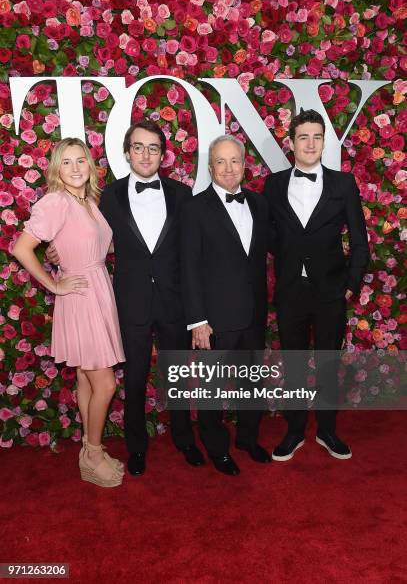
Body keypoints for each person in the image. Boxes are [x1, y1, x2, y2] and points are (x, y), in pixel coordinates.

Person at [12, 138, 125, 488]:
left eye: (81, 161)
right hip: (80, 296)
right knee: (105, 382)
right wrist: (54, 284)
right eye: (67, 162)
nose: (76, 168)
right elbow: (21, 248)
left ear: (89, 166)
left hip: (97, 289)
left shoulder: (89, 200)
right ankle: (91, 453)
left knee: (86, 378)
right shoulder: (56, 202)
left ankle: (89, 450)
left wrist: (57, 253)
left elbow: (96, 244)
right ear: (56, 169)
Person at [97, 120, 204, 476]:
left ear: (163, 155)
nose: (145, 154)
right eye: (138, 147)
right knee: (136, 377)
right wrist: (56, 254)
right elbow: (92, 238)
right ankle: (136, 447)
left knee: (176, 375)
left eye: (153, 148)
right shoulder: (109, 196)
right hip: (132, 301)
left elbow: (192, 253)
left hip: (174, 302)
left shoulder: (182, 194)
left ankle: (184, 440)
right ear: (127, 153)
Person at [263, 109, 369, 461]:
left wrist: (350, 284)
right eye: (303, 137)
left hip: (330, 293)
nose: (310, 143)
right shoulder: (274, 185)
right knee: (293, 365)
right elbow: (271, 237)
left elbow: (360, 241)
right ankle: (294, 432)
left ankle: (326, 431)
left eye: (317, 137)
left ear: (324, 142)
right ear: (291, 143)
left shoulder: (343, 184)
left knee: (327, 364)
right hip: (291, 292)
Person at [180, 134, 271, 476]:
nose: (229, 168)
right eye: (221, 161)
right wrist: (197, 320)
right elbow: (188, 267)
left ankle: (247, 439)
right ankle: (217, 449)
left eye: (235, 160)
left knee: (252, 384)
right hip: (215, 319)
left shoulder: (259, 204)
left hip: (253, 315)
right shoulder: (194, 208)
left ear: (245, 164)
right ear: (210, 166)